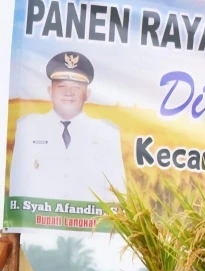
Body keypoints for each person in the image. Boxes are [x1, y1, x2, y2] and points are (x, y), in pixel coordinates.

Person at [8, 51, 125, 203]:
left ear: (87, 94)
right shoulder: (27, 128)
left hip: (91, 225)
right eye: (61, 86)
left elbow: (118, 194)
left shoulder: (107, 133)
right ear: (50, 92)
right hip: (39, 224)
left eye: (76, 87)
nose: (68, 93)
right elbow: (17, 187)